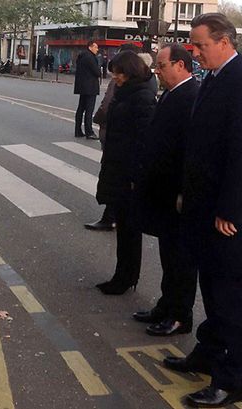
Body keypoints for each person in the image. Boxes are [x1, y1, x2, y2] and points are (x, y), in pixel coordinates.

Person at [162, 13, 242, 407]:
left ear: (225, 41)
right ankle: (206, 355)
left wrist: (229, 210)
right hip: (205, 210)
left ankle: (231, 379)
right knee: (212, 290)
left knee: (233, 299)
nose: (195, 51)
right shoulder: (215, 78)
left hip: (230, 216)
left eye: (200, 44)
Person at [132, 43, 199, 337]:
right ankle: (166, 304)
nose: (157, 71)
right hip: (162, 189)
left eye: (162, 66)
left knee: (179, 259)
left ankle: (179, 315)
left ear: (180, 66)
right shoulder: (174, 93)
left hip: (175, 193)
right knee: (167, 254)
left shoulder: (190, 96)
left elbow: (189, 150)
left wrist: (184, 190)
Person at [94, 50, 156, 295]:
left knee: (130, 231)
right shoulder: (128, 93)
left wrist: (134, 177)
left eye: (117, 74)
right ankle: (123, 275)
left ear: (129, 72)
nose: (115, 78)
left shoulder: (141, 97)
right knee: (124, 228)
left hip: (128, 174)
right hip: (119, 169)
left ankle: (126, 277)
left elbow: (143, 141)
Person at [86, 43, 142, 231]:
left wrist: (98, 118)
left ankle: (111, 216)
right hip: (119, 141)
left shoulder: (126, 85)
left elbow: (107, 104)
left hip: (115, 138)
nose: (115, 76)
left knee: (115, 177)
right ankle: (112, 215)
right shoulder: (142, 81)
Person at [74, 41, 101, 139]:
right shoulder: (90, 57)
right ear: (90, 47)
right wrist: (99, 71)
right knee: (89, 110)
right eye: (96, 47)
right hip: (90, 87)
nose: (97, 49)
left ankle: (78, 130)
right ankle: (89, 131)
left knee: (81, 108)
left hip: (82, 86)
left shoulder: (82, 56)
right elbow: (97, 72)